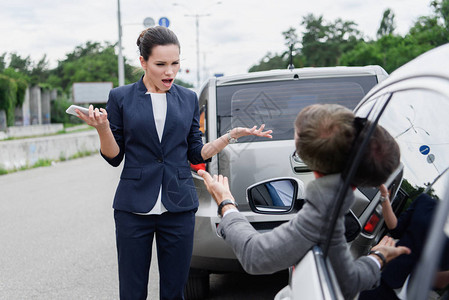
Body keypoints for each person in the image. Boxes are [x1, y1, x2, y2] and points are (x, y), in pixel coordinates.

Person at [75, 26, 272, 300]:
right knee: (131, 293)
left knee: (174, 292)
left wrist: (229, 136)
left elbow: (195, 152)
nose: (170, 72)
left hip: (178, 206)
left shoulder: (188, 98)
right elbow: (114, 156)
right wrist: (103, 128)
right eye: (161, 64)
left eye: (175, 63)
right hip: (133, 209)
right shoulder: (121, 98)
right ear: (143, 63)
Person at [198, 104, 411, 299]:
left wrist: (226, 203)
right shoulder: (335, 205)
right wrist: (377, 258)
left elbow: (255, 256)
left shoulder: (322, 211)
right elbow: (348, 279)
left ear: (301, 154)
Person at [359, 186, 449, 299]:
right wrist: (385, 198)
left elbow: (439, 283)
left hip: (410, 293)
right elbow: (396, 229)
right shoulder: (425, 202)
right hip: (384, 277)